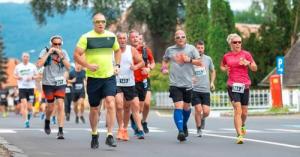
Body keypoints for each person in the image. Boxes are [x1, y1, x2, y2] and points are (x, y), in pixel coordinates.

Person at [73, 13, 121, 149]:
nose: (100, 24)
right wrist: (88, 65)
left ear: (105, 23)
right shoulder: (86, 37)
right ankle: (94, 134)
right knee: (94, 108)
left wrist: (117, 65)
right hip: (93, 78)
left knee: (111, 103)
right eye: (97, 22)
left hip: (109, 76)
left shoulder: (111, 36)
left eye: (103, 21)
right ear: (93, 23)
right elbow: (76, 55)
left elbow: (117, 51)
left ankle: (110, 135)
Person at [161, 30, 202, 142]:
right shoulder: (170, 50)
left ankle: (184, 124)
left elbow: (200, 63)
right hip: (175, 83)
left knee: (187, 107)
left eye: (182, 37)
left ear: (186, 38)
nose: (180, 38)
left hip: (188, 83)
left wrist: (189, 60)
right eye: (178, 37)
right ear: (175, 39)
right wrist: (164, 68)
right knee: (178, 107)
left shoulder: (191, 49)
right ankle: (180, 131)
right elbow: (165, 60)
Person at [220, 33, 257, 144]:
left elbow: (255, 68)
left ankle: (242, 125)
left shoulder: (246, 54)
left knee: (244, 113)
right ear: (230, 44)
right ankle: (239, 135)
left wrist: (248, 63)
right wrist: (225, 68)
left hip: (245, 85)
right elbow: (222, 66)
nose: (237, 44)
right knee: (238, 110)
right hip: (233, 85)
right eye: (235, 42)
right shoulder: (227, 56)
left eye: (239, 42)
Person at [37, 35, 70, 139]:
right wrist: (49, 53)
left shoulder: (63, 52)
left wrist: (61, 56)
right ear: (51, 44)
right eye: (55, 44)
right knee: (50, 107)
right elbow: (39, 64)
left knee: (60, 104)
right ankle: (47, 120)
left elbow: (69, 67)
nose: (57, 46)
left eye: (59, 44)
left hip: (60, 83)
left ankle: (60, 130)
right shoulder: (45, 51)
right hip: (47, 83)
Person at [115, 32, 145, 141]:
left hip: (129, 83)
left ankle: (125, 129)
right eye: (120, 38)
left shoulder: (131, 49)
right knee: (119, 105)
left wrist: (135, 66)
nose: (122, 40)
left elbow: (142, 62)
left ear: (126, 40)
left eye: (124, 38)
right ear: (117, 39)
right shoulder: (112, 50)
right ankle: (120, 128)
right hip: (116, 82)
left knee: (128, 107)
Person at [129, 31, 155, 134]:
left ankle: (143, 121)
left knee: (147, 104)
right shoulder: (127, 50)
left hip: (144, 79)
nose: (136, 40)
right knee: (138, 107)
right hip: (132, 81)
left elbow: (152, 62)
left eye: (138, 38)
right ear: (130, 39)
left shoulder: (145, 50)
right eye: (134, 38)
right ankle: (136, 120)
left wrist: (149, 69)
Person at [192, 40, 216, 137]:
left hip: (205, 89)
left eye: (202, 48)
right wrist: (190, 78)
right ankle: (198, 129)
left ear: (204, 48)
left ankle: (202, 118)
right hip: (195, 89)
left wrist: (212, 82)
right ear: (195, 49)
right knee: (198, 109)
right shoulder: (191, 59)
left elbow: (213, 71)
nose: (200, 50)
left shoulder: (208, 59)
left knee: (206, 112)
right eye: (198, 48)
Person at [14, 52, 38, 127]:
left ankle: (29, 113)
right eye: (24, 56)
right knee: (24, 104)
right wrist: (18, 77)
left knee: (30, 107)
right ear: (22, 57)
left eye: (27, 57)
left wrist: (32, 77)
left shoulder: (32, 66)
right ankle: (26, 121)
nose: (25, 58)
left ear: (29, 58)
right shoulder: (18, 66)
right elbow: (14, 75)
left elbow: (38, 75)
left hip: (31, 88)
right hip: (22, 88)